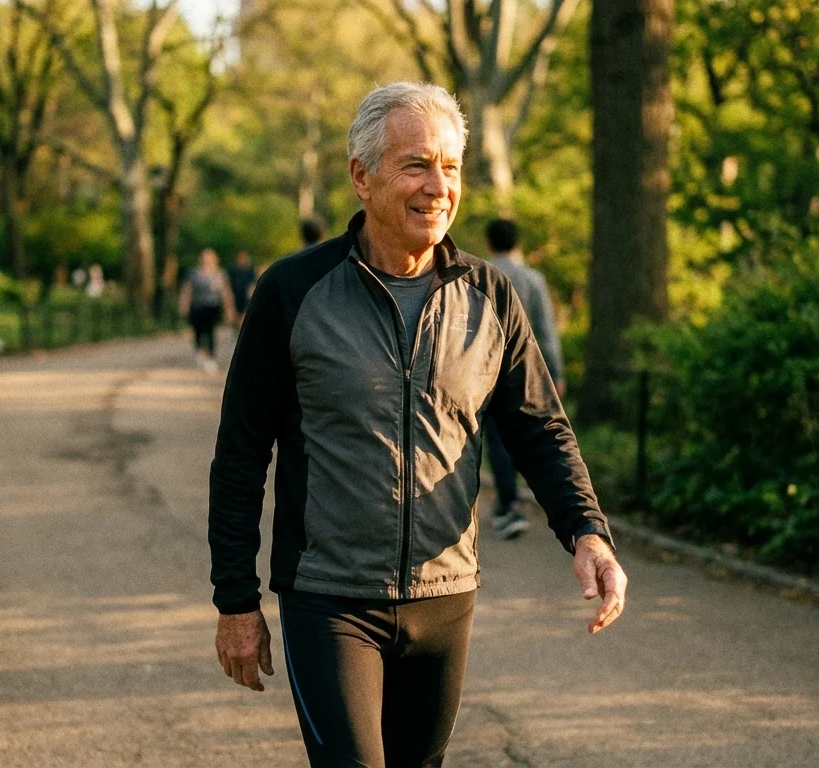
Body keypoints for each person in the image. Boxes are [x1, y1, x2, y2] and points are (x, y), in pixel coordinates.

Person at [209, 82, 627, 768]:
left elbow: (540, 429)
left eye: (452, 167)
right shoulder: (293, 291)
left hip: (445, 598)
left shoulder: (492, 296)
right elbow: (240, 454)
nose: (439, 186)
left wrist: (588, 533)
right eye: (416, 165)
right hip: (329, 597)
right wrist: (235, 599)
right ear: (361, 176)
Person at [482, 219, 566, 541]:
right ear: (516, 243)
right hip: (526, 370)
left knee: (497, 441)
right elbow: (546, 330)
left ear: (490, 242)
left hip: (488, 370)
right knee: (525, 434)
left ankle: (510, 503)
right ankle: (516, 500)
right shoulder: (533, 279)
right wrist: (555, 374)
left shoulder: (480, 274)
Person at [179, 248, 236, 371]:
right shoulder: (194, 273)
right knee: (198, 331)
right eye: (204, 257)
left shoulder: (220, 274)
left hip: (212, 307)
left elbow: (225, 292)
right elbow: (187, 290)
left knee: (210, 331)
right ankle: (199, 351)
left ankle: (210, 357)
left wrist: (229, 308)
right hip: (197, 307)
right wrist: (184, 305)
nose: (206, 260)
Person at [227, 252, 257, 324]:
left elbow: (252, 286)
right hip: (235, 298)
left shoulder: (251, 271)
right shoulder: (233, 271)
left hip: (246, 300)